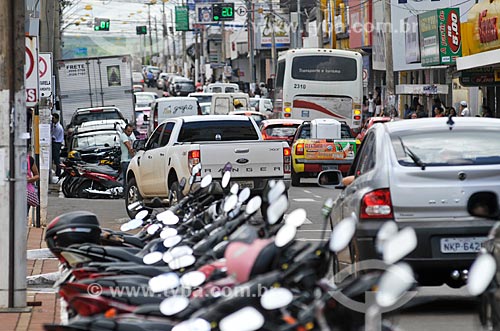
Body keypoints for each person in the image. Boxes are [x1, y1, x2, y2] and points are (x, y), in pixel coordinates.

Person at [51, 113, 64, 177]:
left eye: (53, 118)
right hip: (55, 143)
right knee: (54, 158)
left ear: (57, 119)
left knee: (56, 159)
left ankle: (58, 172)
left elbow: (54, 137)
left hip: (56, 143)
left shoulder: (58, 127)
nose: (52, 120)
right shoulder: (54, 125)